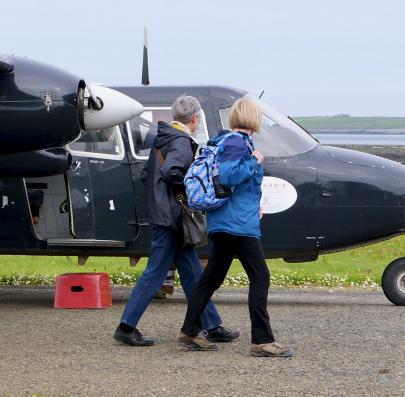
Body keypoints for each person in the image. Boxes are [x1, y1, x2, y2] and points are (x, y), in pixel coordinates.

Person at [114, 96, 238, 347]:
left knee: (192, 272)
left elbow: (148, 175)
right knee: (155, 273)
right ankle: (126, 326)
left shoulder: (165, 137)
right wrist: (191, 189)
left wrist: (161, 197)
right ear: (195, 118)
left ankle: (212, 325)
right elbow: (172, 172)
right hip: (173, 218)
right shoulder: (182, 141)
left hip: (165, 214)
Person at [177, 97, 293, 357]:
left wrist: (255, 204)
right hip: (237, 225)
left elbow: (237, 185)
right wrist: (254, 160)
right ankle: (262, 341)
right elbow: (229, 176)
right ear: (254, 119)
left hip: (226, 221)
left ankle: (190, 330)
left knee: (211, 278)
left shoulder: (228, 141)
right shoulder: (237, 143)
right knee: (260, 277)